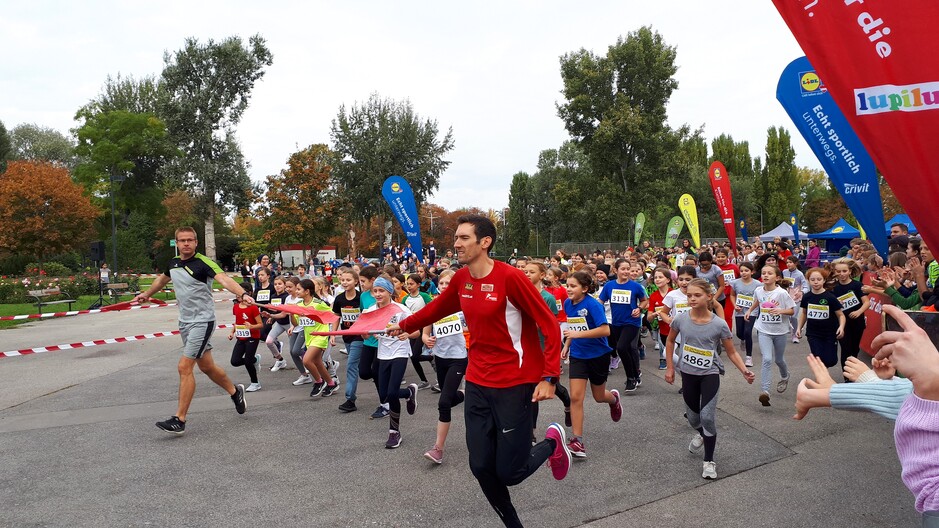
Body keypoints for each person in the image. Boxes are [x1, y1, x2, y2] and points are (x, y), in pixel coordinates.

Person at [388, 214, 571, 528]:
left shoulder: (511, 278)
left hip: (514, 382)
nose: (456, 244)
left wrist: (550, 376)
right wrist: (404, 326)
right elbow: (438, 307)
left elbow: (549, 326)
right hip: (477, 381)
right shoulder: (461, 279)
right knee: (481, 466)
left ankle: (554, 443)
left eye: (463, 238)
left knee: (511, 473)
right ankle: (513, 523)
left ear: (485, 242)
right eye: (456, 238)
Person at [134, 226, 252, 435]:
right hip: (185, 322)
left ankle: (179, 419)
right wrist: (146, 294)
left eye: (190, 240)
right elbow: (162, 279)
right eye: (182, 240)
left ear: (196, 242)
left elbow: (224, 279)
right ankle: (235, 392)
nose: (186, 243)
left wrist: (242, 294)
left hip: (202, 321)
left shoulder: (203, 263)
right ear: (177, 243)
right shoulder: (174, 263)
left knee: (184, 366)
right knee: (207, 367)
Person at [665, 278, 755, 479]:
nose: (692, 299)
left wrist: (744, 371)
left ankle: (709, 461)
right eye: (689, 295)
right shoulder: (681, 319)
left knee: (707, 417)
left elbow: (731, 352)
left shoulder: (719, 324)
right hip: (688, 373)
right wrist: (670, 368)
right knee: (694, 418)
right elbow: (670, 341)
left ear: (709, 297)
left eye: (697, 295)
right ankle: (702, 434)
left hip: (710, 373)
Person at [561, 271, 623, 458]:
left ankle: (613, 399)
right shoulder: (567, 304)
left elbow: (605, 330)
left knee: (598, 396)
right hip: (579, 356)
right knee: (576, 398)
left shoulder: (593, 305)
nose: (568, 289)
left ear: (585, 288)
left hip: (598, 355)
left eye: (573, 286)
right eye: (567, 285)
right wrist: (567, 346)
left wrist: (576, 335)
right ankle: (577, 441)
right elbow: (573, 327)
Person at [420, 269, 467, 463]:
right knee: (447, 399)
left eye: (449, 284)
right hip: (440, 357)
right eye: (442, 284)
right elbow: (424, 332)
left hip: (459, 357)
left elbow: (477, 325)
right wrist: (426, 339)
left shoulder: (464, 305)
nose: (445, 287)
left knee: (444, 402)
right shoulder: (435, 305)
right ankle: (465, 394)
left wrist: (464, 327)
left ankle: (438, 448)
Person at [366, 277, 420, 448]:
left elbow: (417, 331)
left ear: (389, 292)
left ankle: (394, 432)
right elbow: (364, 332)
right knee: (385, 394)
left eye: (381, 290)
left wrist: (407, 334)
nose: (377, 294)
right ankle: (409, 393)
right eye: (375, 291)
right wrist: (365, 334)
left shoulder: (401, 309)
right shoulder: (370, 310)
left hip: (400, 352)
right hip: (383, 354)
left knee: (391, 392)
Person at [745, 265, 796, 407]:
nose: (766, 275)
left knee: (779, 360)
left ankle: (785, 376)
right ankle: (765, 392)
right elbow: (758, 301)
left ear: (777, 277)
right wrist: (749, 310)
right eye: (763, 273)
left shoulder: (782, 293)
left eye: (769, 273)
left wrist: (781, 311)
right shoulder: (758, 290)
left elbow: (792, 311)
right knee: (767, 359)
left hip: (780, 331)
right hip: (763, 329)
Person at [598, 258, 649, 392]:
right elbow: (600, 301)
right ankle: (636, 373)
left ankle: (631, 378)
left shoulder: (635, 286)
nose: (626, 271)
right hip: (616, 323)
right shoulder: (609, 286)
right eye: (623, 269)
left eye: (628, 269)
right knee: (625, 349)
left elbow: (644, 301)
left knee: (621, 348)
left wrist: (639, 308)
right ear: (616, 270)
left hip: (632, 322)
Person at [795, 268, 846, 370]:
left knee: (831, 360)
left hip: (829, 333)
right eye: (812, 279)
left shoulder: (830, 297)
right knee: (818, 359)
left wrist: (841, 327)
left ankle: (824, 374)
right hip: (813, 333)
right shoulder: (807, 297)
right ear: (808, 281)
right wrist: (798, 328)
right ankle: (822, 380)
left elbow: (840, 315)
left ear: (824, 280)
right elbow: (804, 313)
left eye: (819, 279)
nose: (816, 282)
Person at [332, 268, 364, 413]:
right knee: (358, 366)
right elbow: (337, 317)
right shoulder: (339, 299)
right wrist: (333, 334)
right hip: (347, 336)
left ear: (356, 281)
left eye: (348, 280)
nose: (345, 282)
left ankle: (350, 399)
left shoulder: (361, 297)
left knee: (351, 365)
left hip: (360, 336)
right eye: (343, 280)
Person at [831, 258, 870, 373]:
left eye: (844, 271)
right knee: (845, 349)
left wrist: (859, 312)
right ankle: (847, 377)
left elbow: (867, 302)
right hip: (841, 324)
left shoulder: (857, 285)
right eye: (838, 271)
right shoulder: (833, 287)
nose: (841, 274)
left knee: (854, 349)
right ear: (835, 272)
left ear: (850, 271)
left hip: (857, 322)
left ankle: (853, 371)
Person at [228, 294, 263, 392]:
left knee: (248, 361)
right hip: (241, 337)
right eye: (237, 295)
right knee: (235, 361)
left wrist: (251, 326)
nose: (238, 297)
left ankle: (255, 383)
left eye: (240, 295)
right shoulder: (235, 307)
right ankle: (255, 360)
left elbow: (260, 324)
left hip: (252, 337)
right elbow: (237, 322)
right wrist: (232, 332)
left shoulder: (253, 308)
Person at [728, 262, 759, 367]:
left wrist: (752, 308)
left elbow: (759, 298)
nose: (743, 273)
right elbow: (732, 295)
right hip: (739, 311)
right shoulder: (735, 283)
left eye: (746, 271)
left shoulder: (758, 284)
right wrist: (734, 305)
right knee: (740, 333)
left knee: (747, 331)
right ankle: (742, 340)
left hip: (752, 311)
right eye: (741, 271)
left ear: (752, 272)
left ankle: (749, 357)